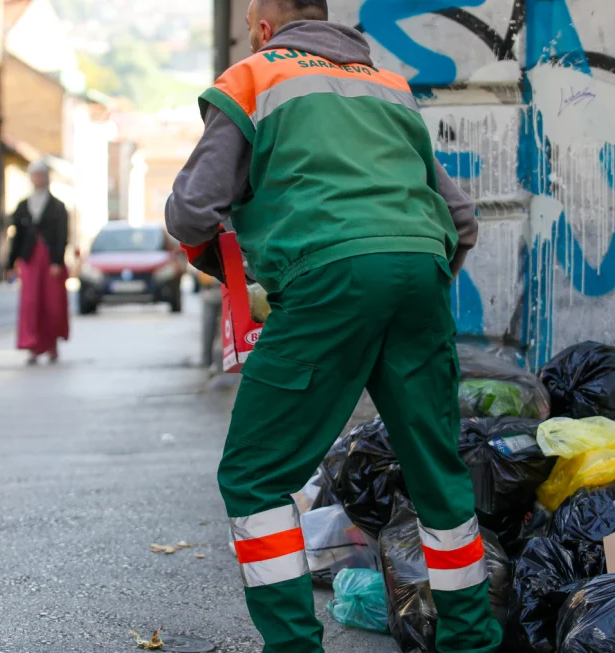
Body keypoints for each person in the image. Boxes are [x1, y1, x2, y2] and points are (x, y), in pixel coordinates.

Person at [164, 1, 500, 652]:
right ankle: (470, 642)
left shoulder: (253, 77)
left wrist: (237, 271)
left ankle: (292, 646)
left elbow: (189, 211)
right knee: (438, 471)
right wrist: (412, 280)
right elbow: (461, 223)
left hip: (327, 279)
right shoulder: (390, 88)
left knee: (254, 475)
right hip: (417, 273)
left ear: (262, 28)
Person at [8, 160, 70, 365]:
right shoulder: (23, 206)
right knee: (30, 302)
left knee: (52, 303)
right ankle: (33, 345)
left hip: (50, 260)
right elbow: (16, 237)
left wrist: (57, 261)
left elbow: (62, 236)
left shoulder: (57, 206)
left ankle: (51, 343)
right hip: (30, 258)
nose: (37, 179)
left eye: (40, 175)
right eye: (34, 175)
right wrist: (11, 263)